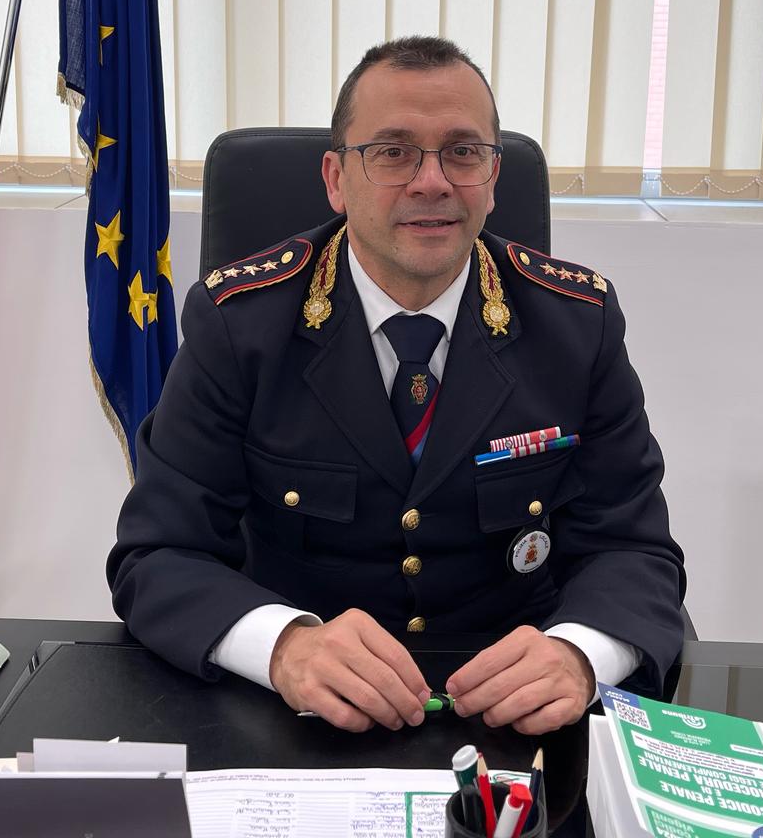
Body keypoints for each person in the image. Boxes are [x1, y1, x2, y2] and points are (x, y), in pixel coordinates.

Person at [108, 36, 684, 736]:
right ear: (335, 179)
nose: (432, 182)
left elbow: (632, 546)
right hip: (298, 714)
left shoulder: (575, 324)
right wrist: (283, 647)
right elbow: (159, 553)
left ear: (493, 177)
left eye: (463, 152)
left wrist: (579, 654)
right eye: (392, 152)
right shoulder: (239, 324)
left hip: (511, 711)